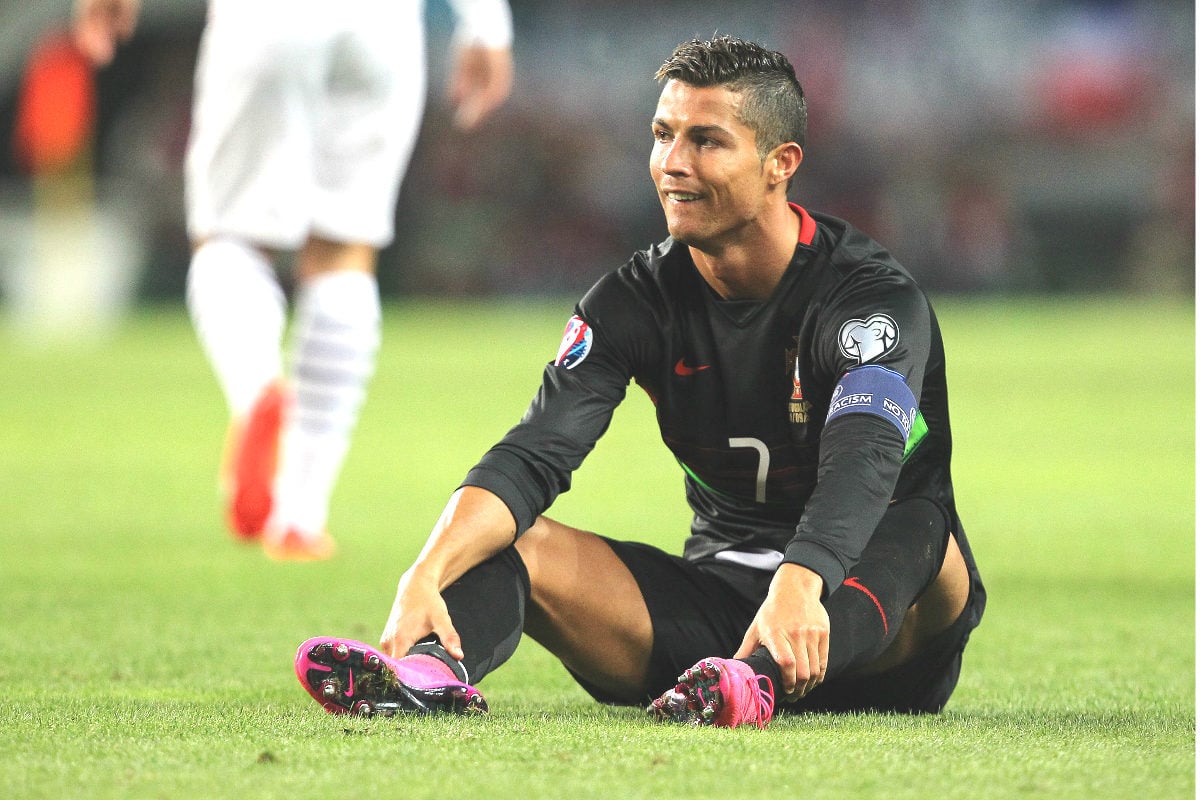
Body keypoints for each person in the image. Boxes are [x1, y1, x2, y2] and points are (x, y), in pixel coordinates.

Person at [294, 35, 986, 727]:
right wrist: (428, 567)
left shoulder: (870, 300)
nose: (672, 164)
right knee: (513, 539)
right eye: (663, 135)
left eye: (707, 141)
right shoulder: (633, 301)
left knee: (921, 522)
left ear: (781, 164)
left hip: (881, 630)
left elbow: (864, 463)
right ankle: (427, 675)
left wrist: (801, 584)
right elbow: (535, 452)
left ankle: (760, 680)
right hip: (719, 614)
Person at [72, 0, 515, 560]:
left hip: (270, 19)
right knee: (344, 251)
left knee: (229, 236)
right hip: (382, 27)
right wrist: (486, 25)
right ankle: (300, 515)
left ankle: (258, 390)